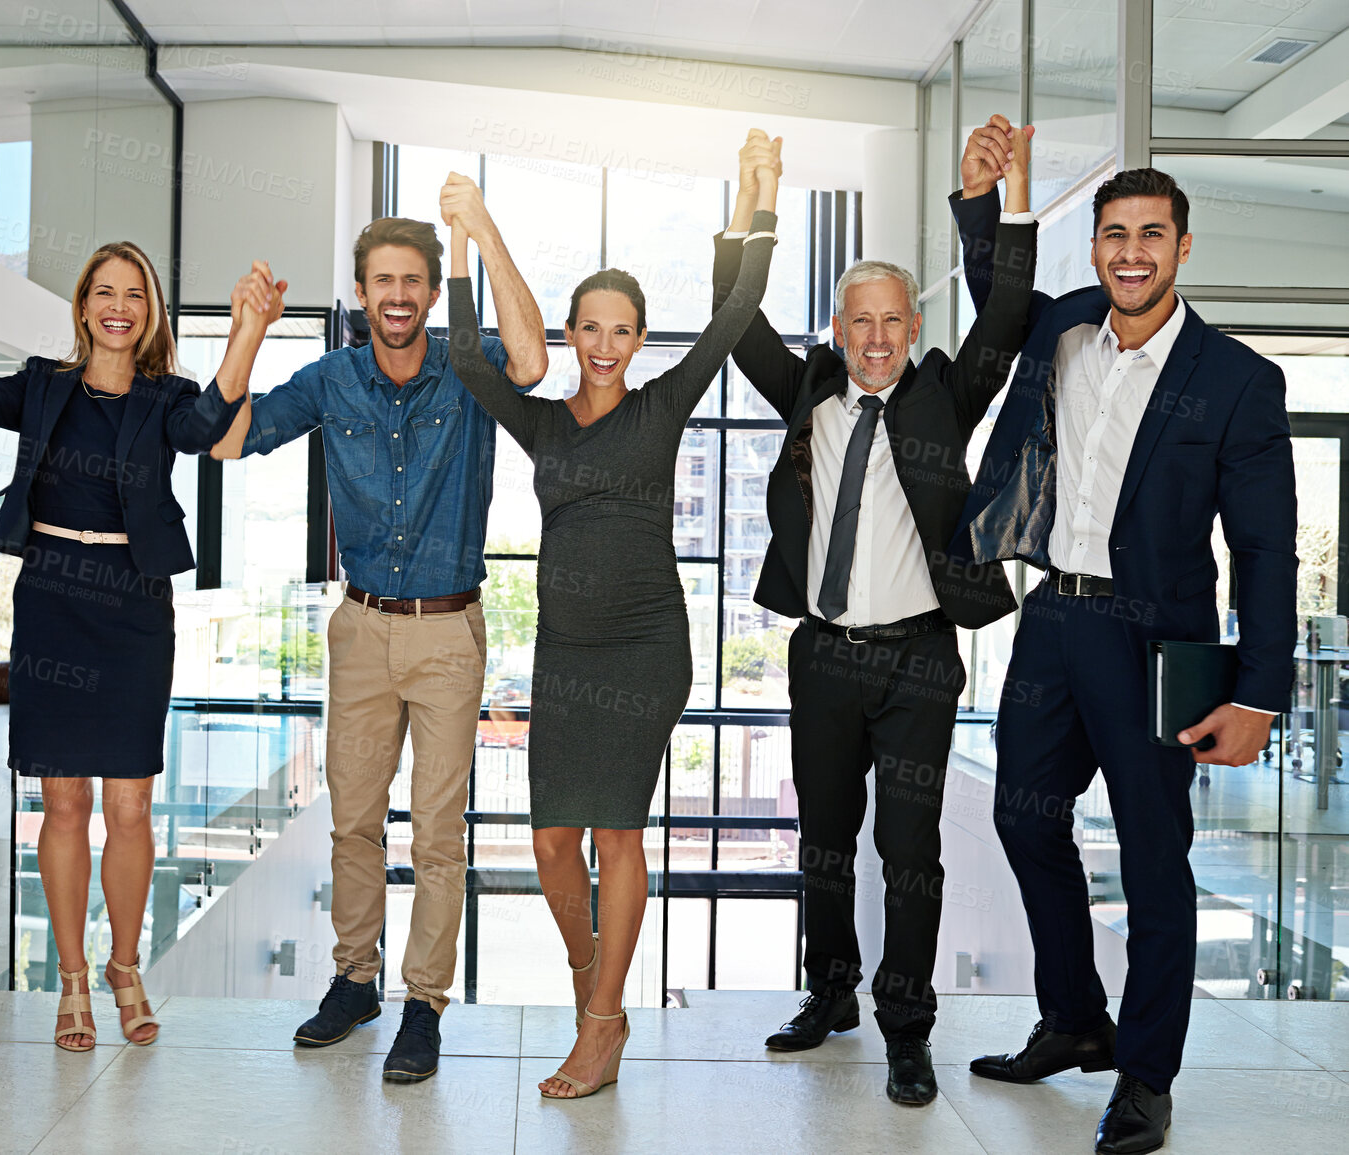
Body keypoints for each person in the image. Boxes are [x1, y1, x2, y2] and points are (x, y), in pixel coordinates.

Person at [950, 121, 1296, 1154]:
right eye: (1114, 233)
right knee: (1022, 818)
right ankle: (1073, 1018)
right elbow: (995, 293)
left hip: (1162, 644)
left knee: (1155, 862)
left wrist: (1261, 691)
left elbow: (1266, 555)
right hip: (1055, 618)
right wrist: (986, 199)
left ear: (1182, 247)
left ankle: (1145, 1075)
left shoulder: (1236, 379)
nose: (1131, 252)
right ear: (1094, 246)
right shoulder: (1060, 328)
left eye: (1151, 233)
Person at [445, 136, 779, 1099]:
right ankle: (599, 986)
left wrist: (755, 200)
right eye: (587, 327)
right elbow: (468, 354)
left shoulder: (664, 406)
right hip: (563, 651)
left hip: (642, 650)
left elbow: (739, 312)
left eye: (619, 329)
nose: (601, 343)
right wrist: (463, 235)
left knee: (616, 837)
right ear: (569, 332)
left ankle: (598, 1024)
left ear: (636, 340)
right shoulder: (543, 421)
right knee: (552, 839)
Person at [713, 125, 1036, 1106]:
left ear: (911, 324)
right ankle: (831, 997)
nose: (879, 336)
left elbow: (1012, 309)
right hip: (822, 658)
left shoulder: (945, 391)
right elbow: (732, 316)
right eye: (862, 320)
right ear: (842, 328)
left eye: (895, 318)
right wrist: (755, 203)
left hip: (919, 662)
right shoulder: (806, 388)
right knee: (823, 841)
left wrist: (1007, 192)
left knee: (909, 853)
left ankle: (907, 1026)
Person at [0, 224, 281, 1051]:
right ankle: (73, 980)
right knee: (63, 800)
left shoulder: (164, 398)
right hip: (51, 596)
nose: (118, 307)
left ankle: (125, 966)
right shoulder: (45, 387)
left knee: (128, 802)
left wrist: (249, 332)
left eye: (133, 294)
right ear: (82, 306)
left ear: (149, 310)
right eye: (103, 292)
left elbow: (208, 428)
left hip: (132, 607)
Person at [210, 217, 546, 1082]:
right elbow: (225, 436)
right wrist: (247, 332)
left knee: (438, 831)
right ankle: (354, 980)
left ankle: (423, 1003)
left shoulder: (469, 373)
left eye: (412, 281)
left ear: (433, 293)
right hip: (360, 626)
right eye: (380, 282)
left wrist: (481, 231)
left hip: (446, 629)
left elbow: (536, 363)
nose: (396, 296)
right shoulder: (331, 379)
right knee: (354, 819)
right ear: (360, 293)